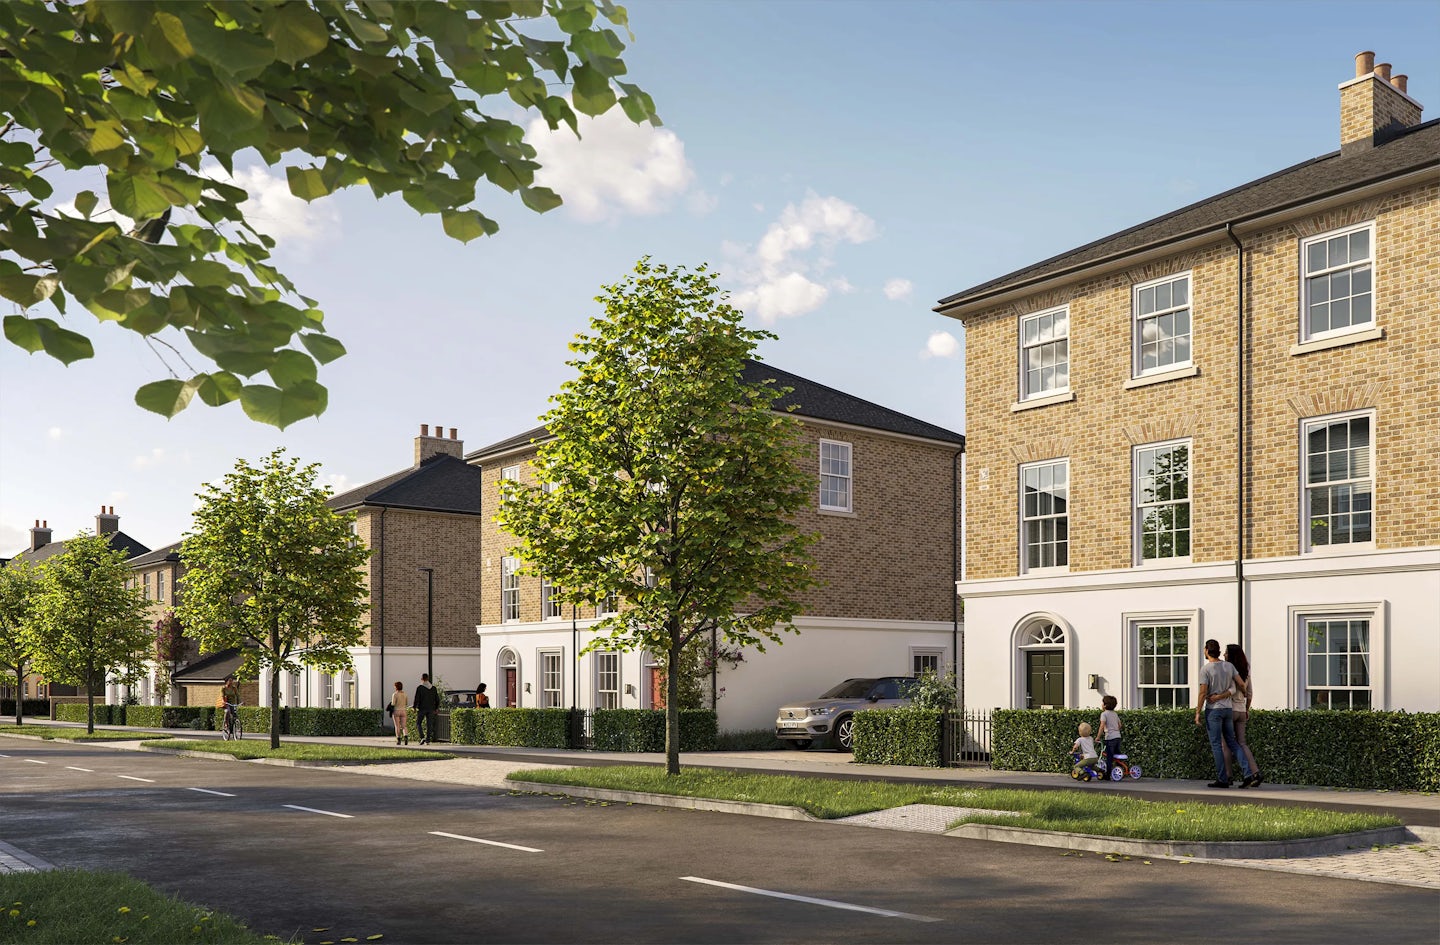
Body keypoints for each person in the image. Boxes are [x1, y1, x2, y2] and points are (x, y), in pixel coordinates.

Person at [1195, 639, 1253, 788]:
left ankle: (1223, 779)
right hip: (1228, 709)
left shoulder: (1206, 669)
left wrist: (1197, 712)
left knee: (1216, 745)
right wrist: (1244, 693)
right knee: (1233, 743)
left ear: (1207, 650)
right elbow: (1241, 684)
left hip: (1213, 710)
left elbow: (1203, 692)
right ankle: (1248, 773)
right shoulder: (1229, 666)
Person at [1223, 644, 1263, 788]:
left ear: (1231, 656)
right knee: (1242, 743)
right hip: (1241, 710)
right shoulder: (1246, 670)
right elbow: (1250, 693)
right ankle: (1256, 772)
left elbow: (1229, 690)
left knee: (1225, 744)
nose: (1224, 655)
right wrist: (1246, 710)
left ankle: (1228, 776)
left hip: (1230, 709)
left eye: (1226, 653)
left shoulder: (1228, 670)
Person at [413, 673, 440, 744]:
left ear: (422, 679)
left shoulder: (420, 688)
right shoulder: (433, 688)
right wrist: (437, 708)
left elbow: (416, 698)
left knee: (418, 723)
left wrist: (414, 707)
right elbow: (437, 699)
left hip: (422, 708)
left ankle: (422, 737)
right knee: (429, 724)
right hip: (431, 708)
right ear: (428, 678)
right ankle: (428, 740)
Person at [1098, 695, 1122, 765]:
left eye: (1103, 703)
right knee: (1117, 756)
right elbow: (1120, 725)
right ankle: (1120, 768)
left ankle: (1108, 771)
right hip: (1118, 737)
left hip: (1110, 738)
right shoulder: (1115, 714)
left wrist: (1098, 737)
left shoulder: (1104, 714)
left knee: (1109, 757)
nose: (1102, 704)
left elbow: (1102, 726)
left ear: (1105, 705)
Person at [390, 680, 409, 746]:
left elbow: (393, 703)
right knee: (404, 726)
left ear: (396, 687)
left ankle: (398, 740)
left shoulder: (395, 694)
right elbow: (406, 703)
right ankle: (406, 736)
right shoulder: (405, 694)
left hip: (396, 711)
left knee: (397, 726)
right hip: (403, 710)